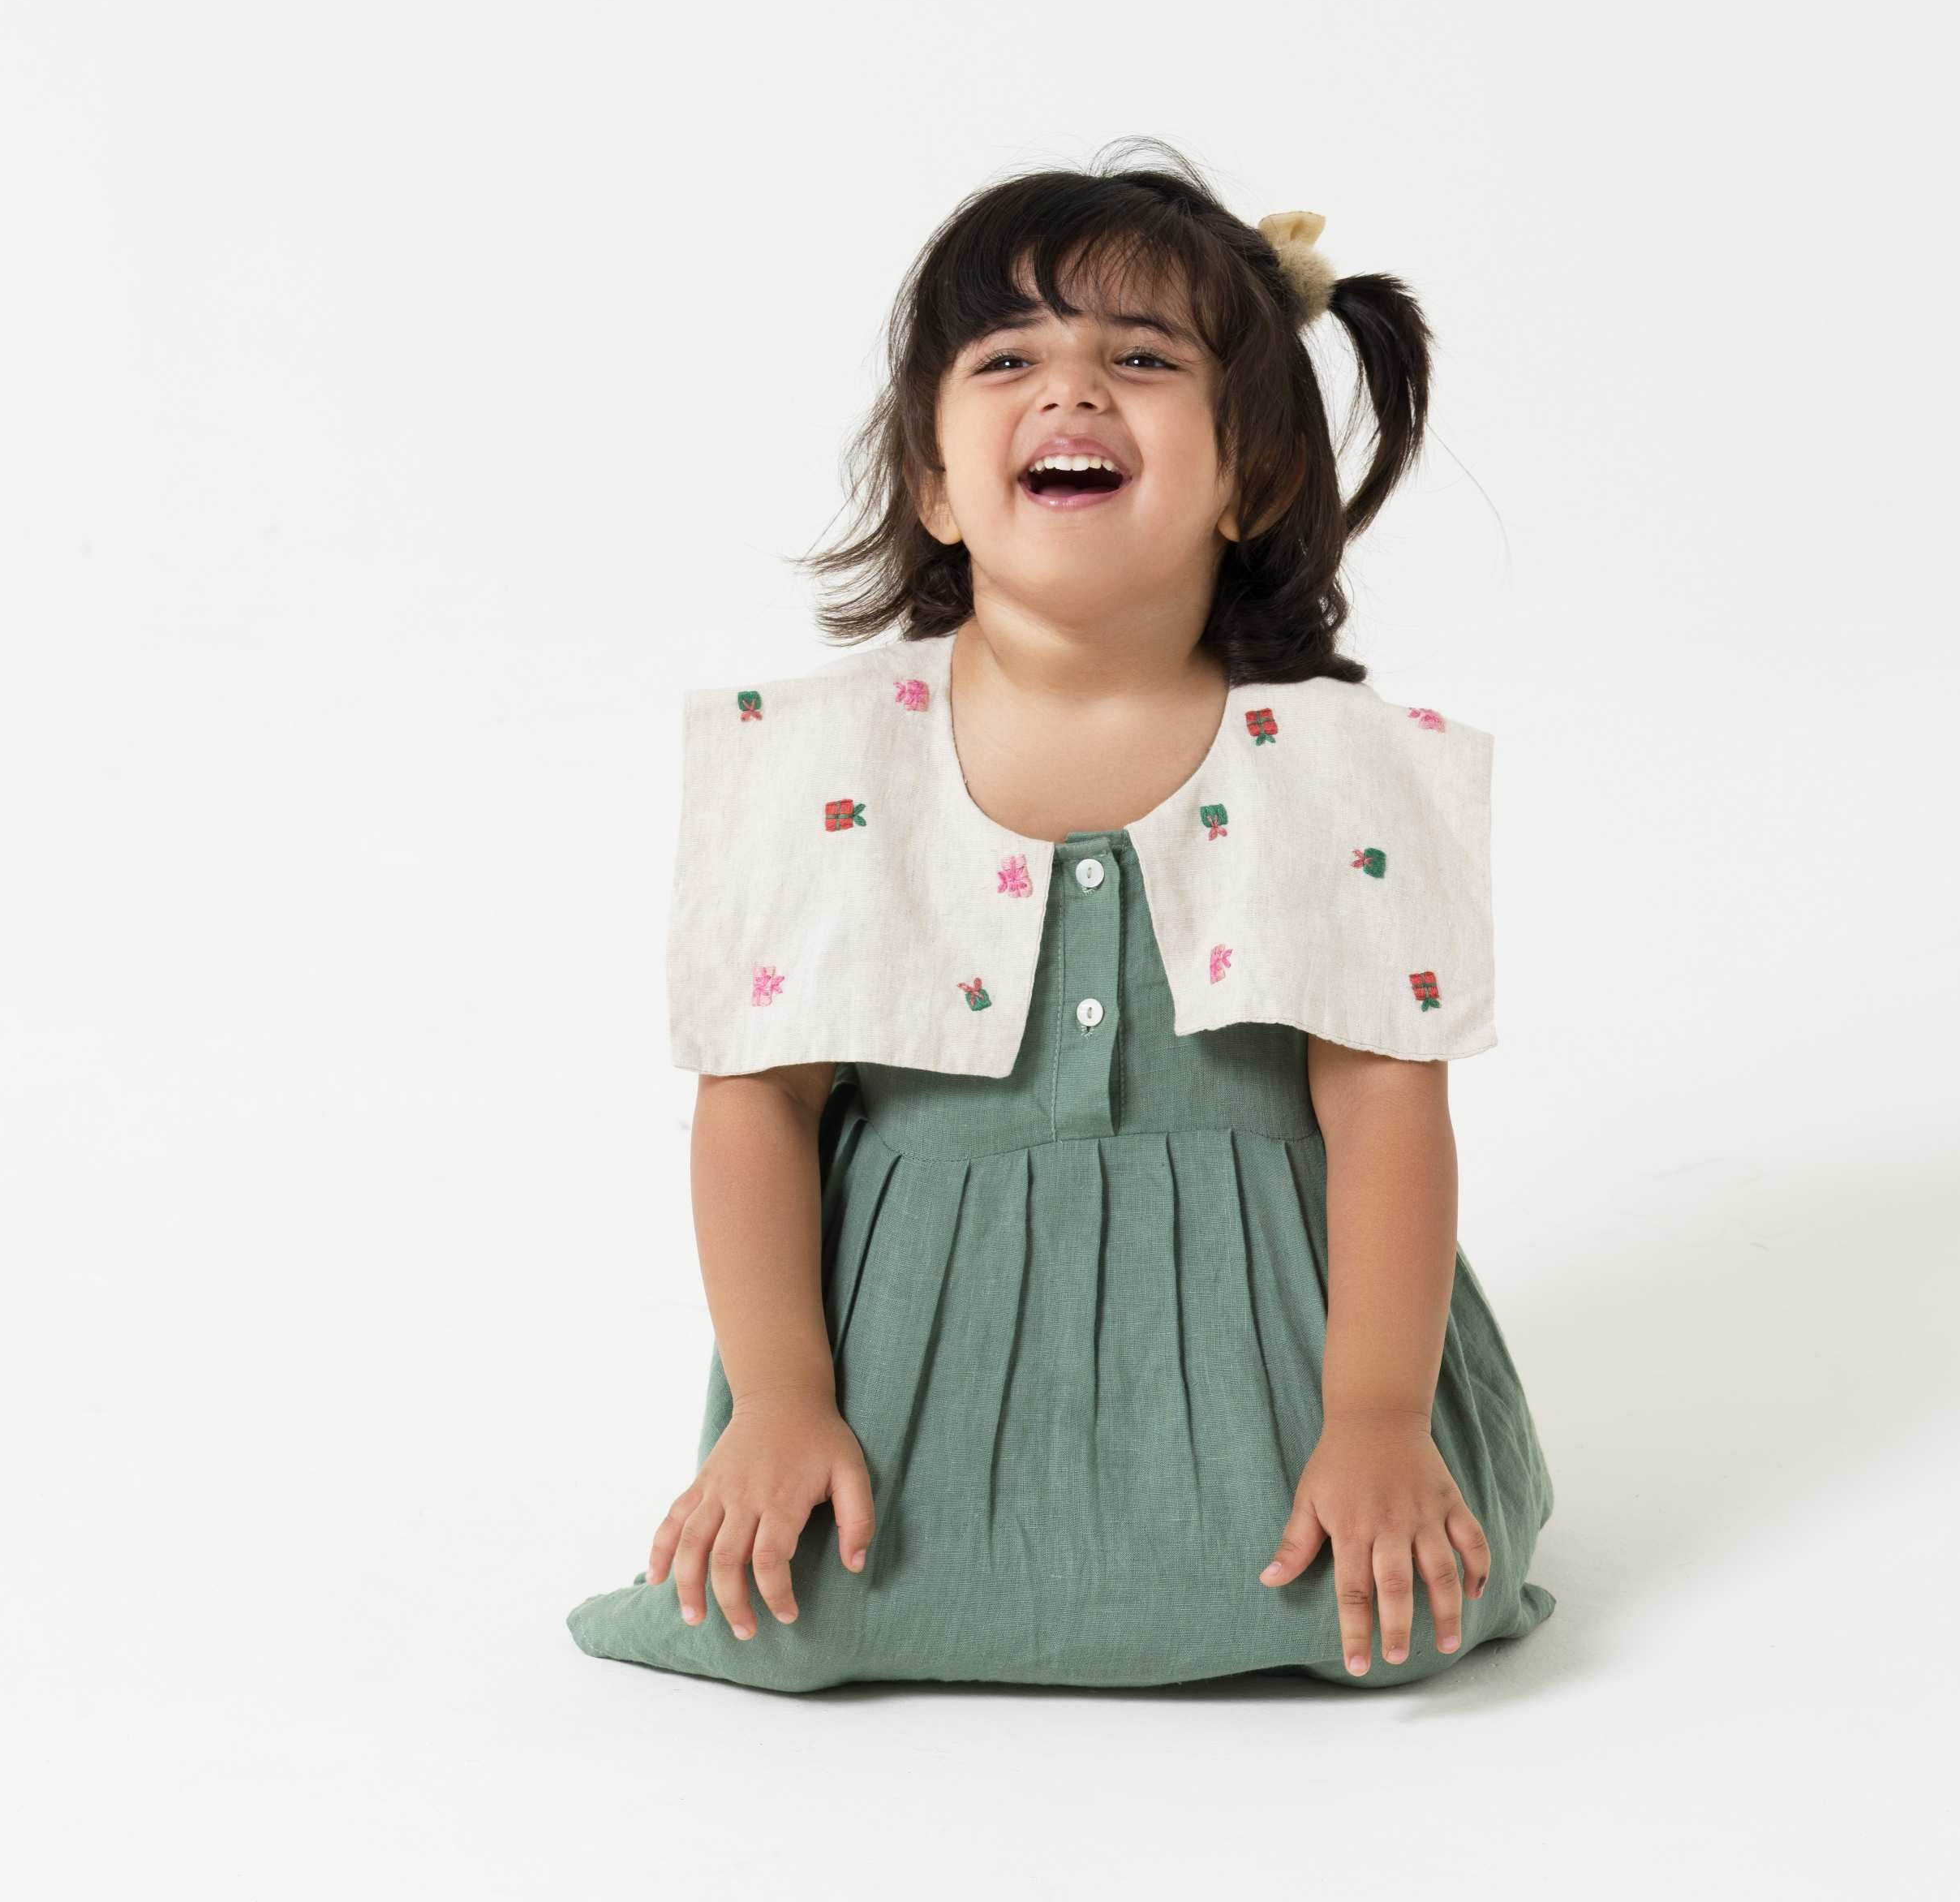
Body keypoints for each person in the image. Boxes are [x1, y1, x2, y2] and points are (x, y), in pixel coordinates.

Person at [566, 143, 1555, 1695]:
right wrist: (778, 1400)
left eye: (1141, 359)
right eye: (1007, 358)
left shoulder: (1339, 769)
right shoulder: (821, 759)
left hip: (1277, 1349)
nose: (1072, 389)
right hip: (897, 1359)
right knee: (800, 1603)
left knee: (1378, 1607)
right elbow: (760, 1101)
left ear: (1252, 476)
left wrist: (1374, 1419)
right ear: (930, 482)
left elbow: (1385, 1108)